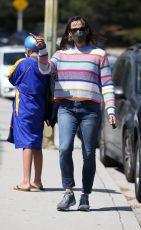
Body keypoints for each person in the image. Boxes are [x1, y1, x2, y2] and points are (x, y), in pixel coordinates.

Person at [35, 15, 116, 210]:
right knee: (64, 148)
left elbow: (106, 84)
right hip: (66, 108)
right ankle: (68, 192)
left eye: (81, 28)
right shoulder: (61, 55)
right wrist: (42, 49)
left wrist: (111, 109)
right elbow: (45, 69)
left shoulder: (99, 54)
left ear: (87, 30)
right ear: (69, 33)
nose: (78, 32)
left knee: (89, 153)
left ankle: (85, 196)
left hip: (90, 109)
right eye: (74, 29)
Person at [7, 35, 49, 192]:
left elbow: (11, 77)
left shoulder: (22, 63)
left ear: (27, 49)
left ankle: (26, 182)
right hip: (40, 108)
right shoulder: (45, 65)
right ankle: (37, 181)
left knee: (27, 144)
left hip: (24, 108)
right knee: (37, 144)